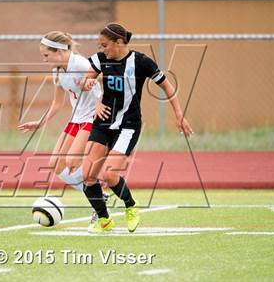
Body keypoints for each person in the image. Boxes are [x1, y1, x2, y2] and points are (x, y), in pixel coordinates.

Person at [80, 23, 193, 233]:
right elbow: (86, 81)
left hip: (128, 125)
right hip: (103, 123)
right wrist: (91, 91)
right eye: (100, 45)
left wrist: (179, 114)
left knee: (110, 175)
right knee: (87, 175)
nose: (102, 49)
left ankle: (130, 206)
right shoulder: (99, 60)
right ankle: (104, 219)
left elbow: (167, 86)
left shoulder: (141, 62)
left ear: (119, 42)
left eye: (105, 45)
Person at [17, 31, 108, 229]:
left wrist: (100, 102)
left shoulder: (82, 64)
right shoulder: (57, 71)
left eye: (46, 55)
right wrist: (40, 122)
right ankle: (99, 194)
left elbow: (104, 83)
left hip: (93, 116)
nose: (44, 60)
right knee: (56, 165)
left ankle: (98, 202)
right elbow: (57, 103)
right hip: (76, 118)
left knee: (72, 161)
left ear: (59, 51)